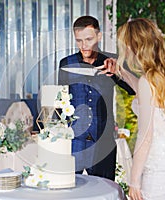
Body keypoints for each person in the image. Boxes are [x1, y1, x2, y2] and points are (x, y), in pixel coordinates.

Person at [100, 18, 165, 199]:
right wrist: (122, 73)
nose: (123, 49)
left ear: (135, 45)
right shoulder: (164, 74)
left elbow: (145, 137)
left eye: (124, 44)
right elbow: (147, 96)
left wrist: (134, 180)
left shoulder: (147, 81)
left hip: (160, 169)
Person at [58, 15, 136, 181]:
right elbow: (60, 102)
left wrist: (119, 71)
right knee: (70, 189)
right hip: (74, 143)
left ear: (99, 36)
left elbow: (133, 90)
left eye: (88, 39)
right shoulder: (66, 63)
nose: (84, 45)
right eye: (79, 40)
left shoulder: (113, 62)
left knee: (105, 189)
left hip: (104, 142)